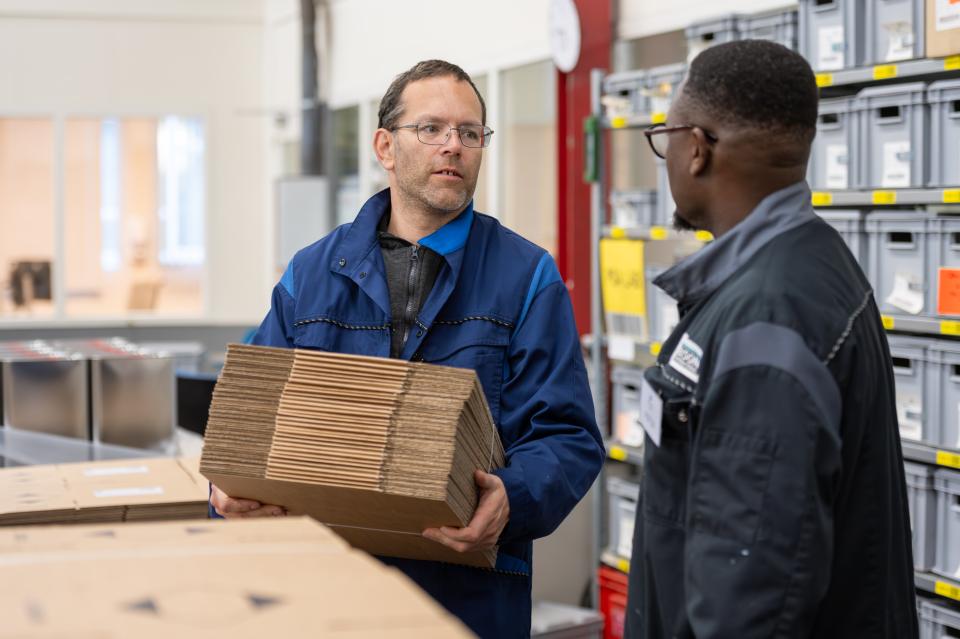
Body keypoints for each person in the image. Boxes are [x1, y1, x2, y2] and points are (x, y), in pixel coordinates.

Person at [209, 59, 604, 639]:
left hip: (467, 598)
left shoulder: (527, 277)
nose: (454, 146)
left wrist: (512, 501)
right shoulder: (311, 274)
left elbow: (567, 437)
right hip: (328, 594)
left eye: (470, 133)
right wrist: (224, 489)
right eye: (433, 129)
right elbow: (252, 416)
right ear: (385, 146)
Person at [624, 41, 917, 638]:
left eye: (668, 136)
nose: (669, 155)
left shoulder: (767, 319)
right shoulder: (813, 259)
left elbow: (749, 599)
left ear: (698, 149)